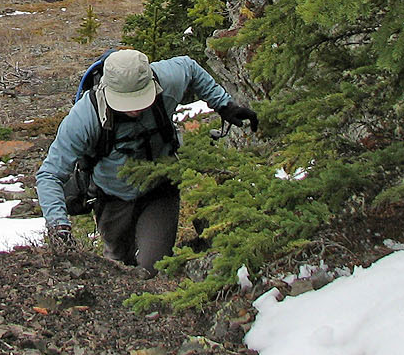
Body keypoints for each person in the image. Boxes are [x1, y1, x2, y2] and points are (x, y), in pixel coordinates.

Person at [35, 48, 257, 273]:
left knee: (152, 268)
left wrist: (224, 105)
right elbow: (49, 175)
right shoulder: (84, 117)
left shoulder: (167, 80)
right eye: (127, 103)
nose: (135, 109)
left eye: (140, 99)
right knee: (116, 266)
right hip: (111, 197)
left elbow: (190, 68)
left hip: (159, 189)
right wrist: (59, 227)